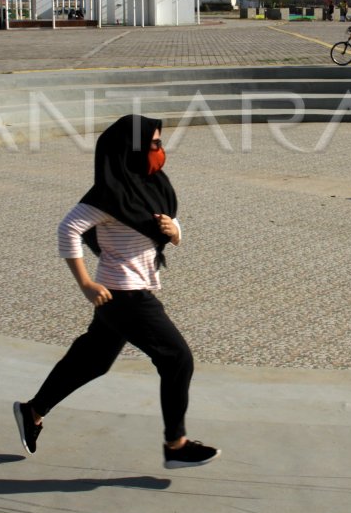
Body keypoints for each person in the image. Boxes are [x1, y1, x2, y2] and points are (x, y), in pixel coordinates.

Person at [13, 115, 220, 469]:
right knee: (177, 358)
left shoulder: (149, 184)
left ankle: (33, 412)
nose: (160, 150)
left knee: (93, 360)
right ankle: (176, 444)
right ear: (133, 148)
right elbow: (68, 230)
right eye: (153, 144)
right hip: (124, 294)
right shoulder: (108, 195)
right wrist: (85, 284)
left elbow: (161, 222)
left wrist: (175, 230)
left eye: (160, 142)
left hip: (121, 294)